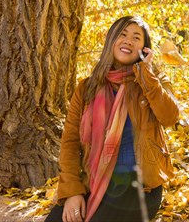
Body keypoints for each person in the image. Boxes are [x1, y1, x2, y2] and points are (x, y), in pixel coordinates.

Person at [45, 16, 179, 222]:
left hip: (139, 188)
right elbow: (70, 143)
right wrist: (73, 191)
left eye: (136, 38)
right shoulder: (86, 88)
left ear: (144, 49)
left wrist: (146, 74)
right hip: (95, 181)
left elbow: (170, 116)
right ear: (111, 41)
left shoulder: (154, 81)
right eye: (123, 35)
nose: (128, 41)